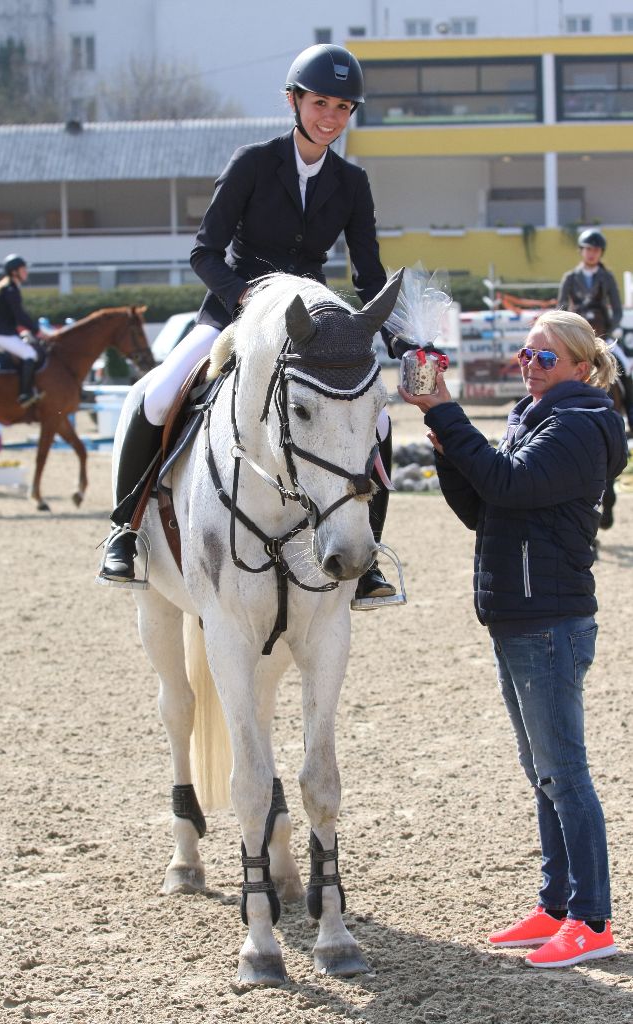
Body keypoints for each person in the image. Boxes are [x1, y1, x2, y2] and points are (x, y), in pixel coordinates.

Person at [98, 44, 396, 605]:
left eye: (342, 107)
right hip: (234, 313)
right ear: (294, 101)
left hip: (307, 325)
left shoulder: (353, 183)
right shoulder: (253, 163)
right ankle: (126, 529)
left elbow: (370, 274)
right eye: (320, 102)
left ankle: (368, 555)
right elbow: (204, 252)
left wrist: (402, 337)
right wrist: (247, 304)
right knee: (157, 397)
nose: (330, 116)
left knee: (376, 426)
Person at [400, 309, 627, 969]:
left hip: (548, 619)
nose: (528, 367)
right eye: (524, 357)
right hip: (517, 613)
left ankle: (591, 920)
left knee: (565, 775)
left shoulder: (582, 423)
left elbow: (508, 483)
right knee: (542, 774)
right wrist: (447, 453)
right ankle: (555, 906)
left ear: (581, 368)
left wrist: (445, 413)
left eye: (543, 358)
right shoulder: (537, 417)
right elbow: (485, 506)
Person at [558, 228, 633, 432]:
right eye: (588, 249)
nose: (592, 253)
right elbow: (561, 308)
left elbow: (616, 309)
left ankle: (631, 415)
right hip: (576, 336)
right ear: (581, 251)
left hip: (603, 336)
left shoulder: (607, 277)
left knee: (625, 370)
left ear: (601, 252)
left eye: (596, 250)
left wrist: (612, 329)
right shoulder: (570, 278)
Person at [0, 254, 43, 407]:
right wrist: (36, 330)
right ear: (14, 272)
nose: (26, 272)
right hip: (3, 335)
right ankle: (25, 394)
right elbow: (19, 315)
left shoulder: (11, 288)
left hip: (7, 333)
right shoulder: (10, 290)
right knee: (30, 354)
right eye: (23, 269)